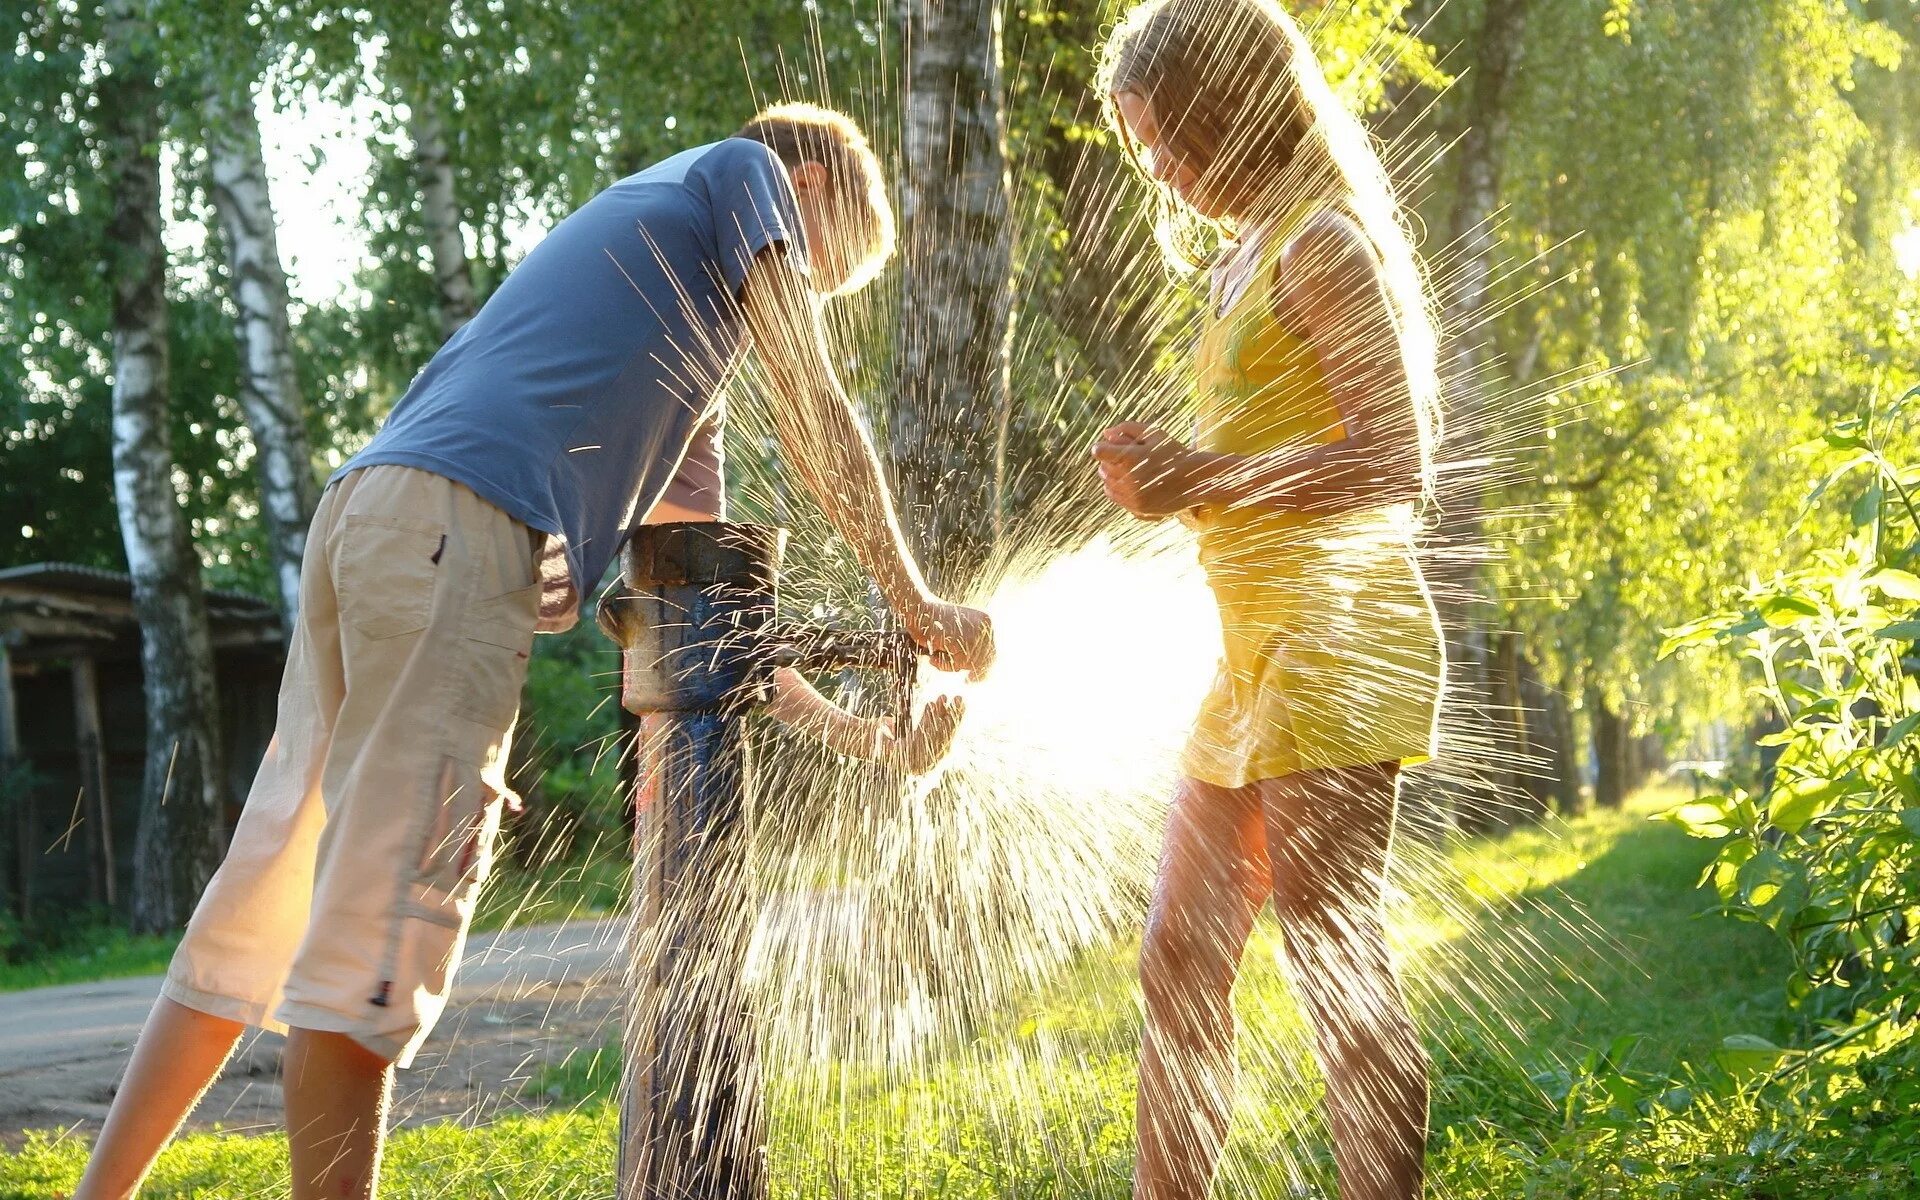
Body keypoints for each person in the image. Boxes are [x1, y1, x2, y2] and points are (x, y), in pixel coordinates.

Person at [72, 102, 992, 1200]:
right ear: (809, 194)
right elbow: (817, 403)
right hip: (453, 536)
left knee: (261, 904)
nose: (801, 299)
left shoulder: (673, 308)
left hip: (372, 518)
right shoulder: (744, 171)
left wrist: (874, 740)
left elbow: (707, 629)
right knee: (376, 944)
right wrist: (919, 598)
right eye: (820, 276)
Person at [1088, 4, 1445, 1198]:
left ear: (1243, 109)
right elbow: (1258, 463)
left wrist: (1207, 478)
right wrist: (1174, 483)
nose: (1170, 174)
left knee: (1333, 960)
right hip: (1251, 654)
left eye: (1180, 141)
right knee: (1178, 959)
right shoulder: (1243, 257)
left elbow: (1396, 460)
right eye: (1149, 152)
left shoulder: (1321, 245)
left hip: (1341, 640)